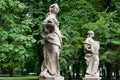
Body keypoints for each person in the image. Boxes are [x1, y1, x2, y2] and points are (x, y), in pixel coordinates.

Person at [40, 3, 66, 78]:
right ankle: (49, 71)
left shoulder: (55, 17)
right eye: (55, 8)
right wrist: (52, 25)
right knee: (53, 53)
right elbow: (44, 23)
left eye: (58, 8)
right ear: (51, 9)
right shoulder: (50, 16)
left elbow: (56, 29)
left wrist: (61, 36)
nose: (57, 9)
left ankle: (54, 71)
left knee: (56, 54)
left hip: (56, 37)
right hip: (52, 38)